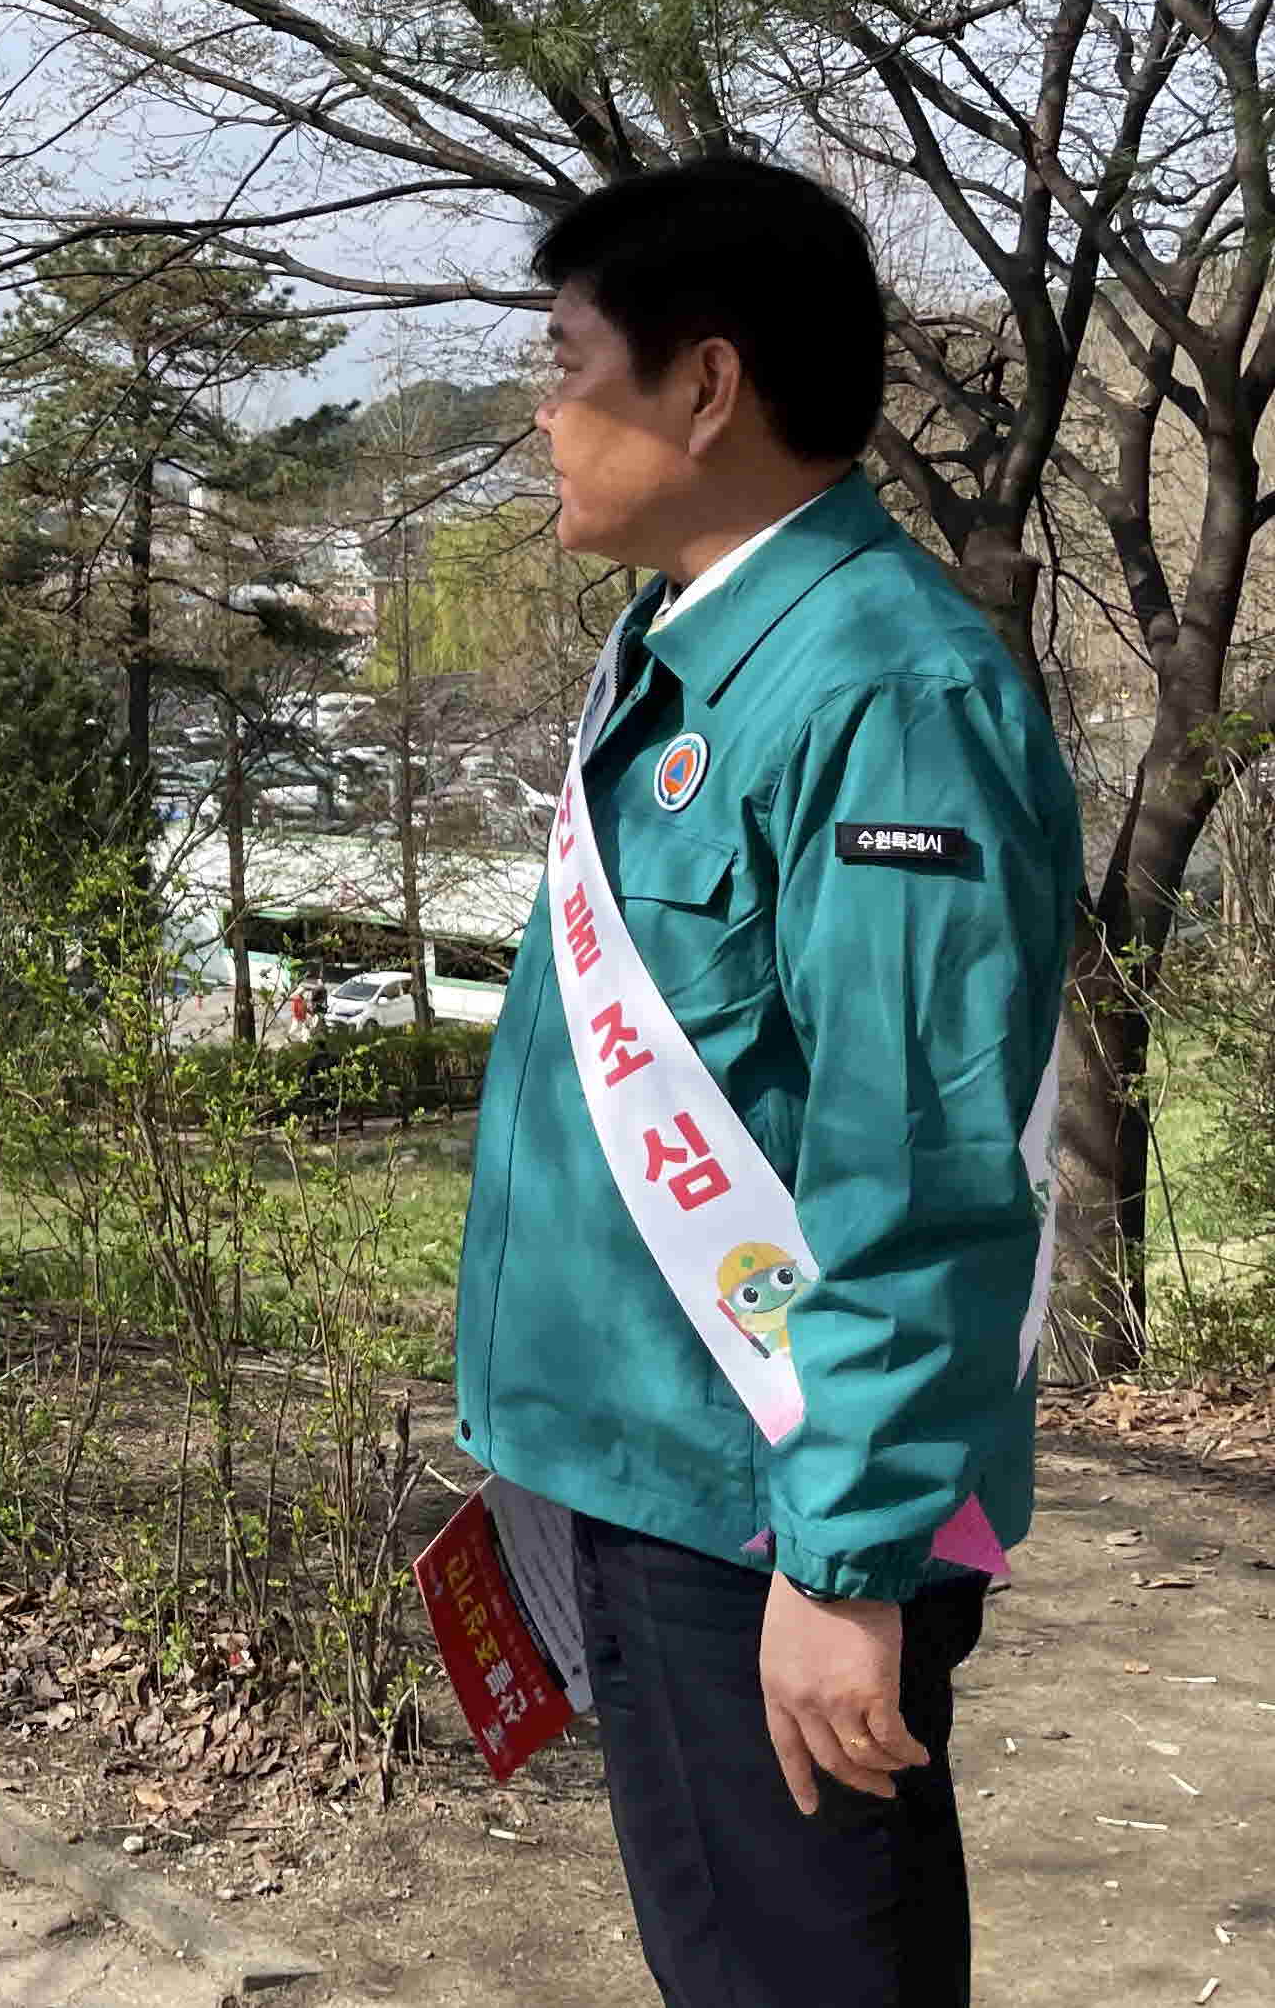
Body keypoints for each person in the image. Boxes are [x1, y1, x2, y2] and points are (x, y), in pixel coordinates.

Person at [457, 157, 1077, 2008]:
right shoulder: (689, 649)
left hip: (770, 1512)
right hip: (653, 1472)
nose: (536, 413)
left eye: (564, 365)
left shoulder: (879, 691)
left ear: (703, 385)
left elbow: (924, 1157)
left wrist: (850, 1558)